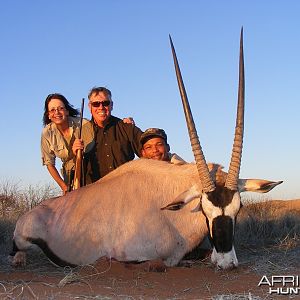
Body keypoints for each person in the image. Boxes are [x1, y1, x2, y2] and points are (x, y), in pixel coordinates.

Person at [73, 86, 143, 184]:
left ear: (111, 105)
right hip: (94, 193)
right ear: (90, 107)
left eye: (105, 103)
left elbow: (148, 150)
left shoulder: (126, 127)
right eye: (96, 104)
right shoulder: (80, 133)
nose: (101, 107)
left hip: (125, 188)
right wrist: (75, 154)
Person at [41, 93, 91, 194]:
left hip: (90, 171)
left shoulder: (84, 124)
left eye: (61, 108)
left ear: (67, 111)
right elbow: (49, 164)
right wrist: (64, 187)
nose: (57, 113)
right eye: (52, 110)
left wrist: (123, 123)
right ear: (49, 115)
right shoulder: (47, 133)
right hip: (69, 176)